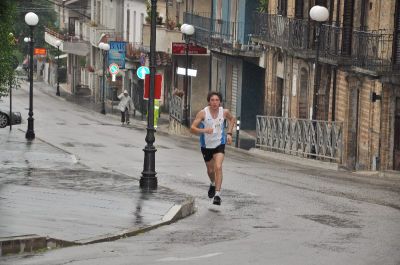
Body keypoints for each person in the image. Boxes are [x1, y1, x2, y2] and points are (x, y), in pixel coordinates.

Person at [190, 91, 236, 206]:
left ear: (220, 101)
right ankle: (212, 183)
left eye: (217, 100)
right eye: (212, 100)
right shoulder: (203, 113)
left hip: (219, 143)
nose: (215, 102)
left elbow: (232, 119)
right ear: (209, 102)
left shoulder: (224, 112)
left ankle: (217, 195)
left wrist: (229, 133)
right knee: (210, 171)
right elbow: (192, 128)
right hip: (206, 145)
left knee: (218, 167)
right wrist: (204, 130)